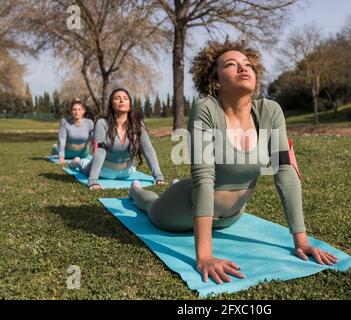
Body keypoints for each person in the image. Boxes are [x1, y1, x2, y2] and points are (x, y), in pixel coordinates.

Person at [128, 39, 337, 284]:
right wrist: (204, 255)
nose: (243, 68)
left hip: (232, 218)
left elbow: (285, 172)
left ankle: (168, 186)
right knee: (150, 205)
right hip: (181, 210)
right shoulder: (206, 109)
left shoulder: (270, 112)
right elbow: (204, 179)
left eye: (247, 64)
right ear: (216, 80)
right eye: (231, 64)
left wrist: (301, 241)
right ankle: (136, 192)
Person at [70, 88, 165, 190]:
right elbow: (100, 151)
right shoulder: (102, 123)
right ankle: (78, 162)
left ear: (129, 105)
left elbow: (148, 150)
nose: (122, 100)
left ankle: (81, 161)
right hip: (104, 171)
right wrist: (93, 181)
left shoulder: (138, 124)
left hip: (127, 172)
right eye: (117, 98)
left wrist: (158, 176)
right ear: (111, 104)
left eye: (125, 98)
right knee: (85, 166)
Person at [51, 98, 94, 163]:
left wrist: (96, 155)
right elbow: (62, 140)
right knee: (57, 148)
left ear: (83, 111)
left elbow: (94, 139)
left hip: (83, 154)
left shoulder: (89, 123)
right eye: (74, 109)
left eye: (79, 109)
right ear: (71, 111)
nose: (77, 112)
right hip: (67, 154)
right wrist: (61, 157)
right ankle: (55, 148)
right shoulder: (65, 122)